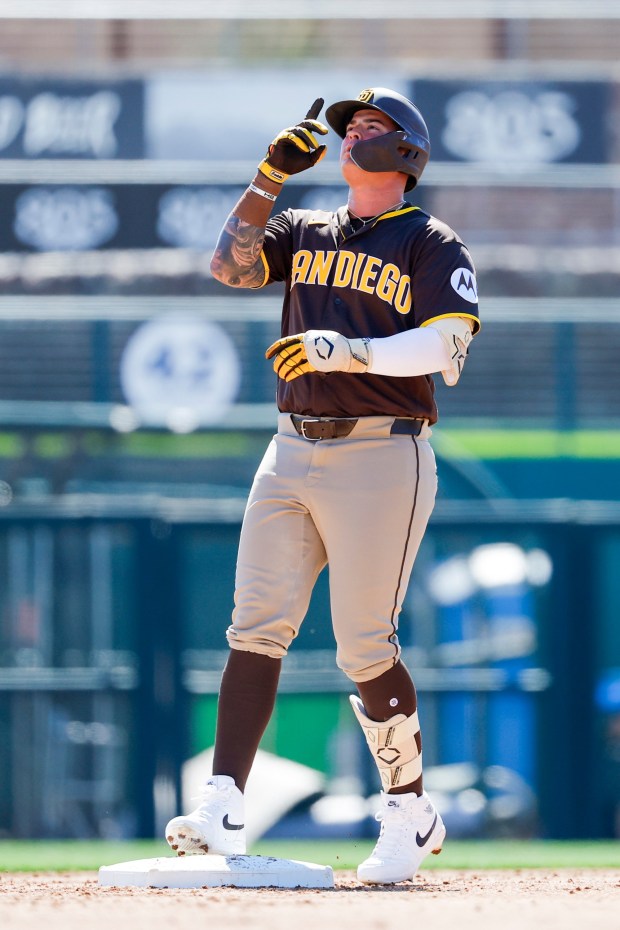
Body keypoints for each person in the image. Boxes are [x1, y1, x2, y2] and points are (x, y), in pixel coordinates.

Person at [165, 87, 480, 884]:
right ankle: (225, 800)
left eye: (372, 127)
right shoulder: (307, 227)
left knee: (364, 643)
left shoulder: (431, 241)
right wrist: (269, 175)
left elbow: (445, 346)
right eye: (348, 128)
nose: (351, 137)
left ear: (407, 152)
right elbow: (229, 266)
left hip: (384, 451)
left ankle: (408, 811)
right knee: (253, 627)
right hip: (289, 448)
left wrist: (353, 351)